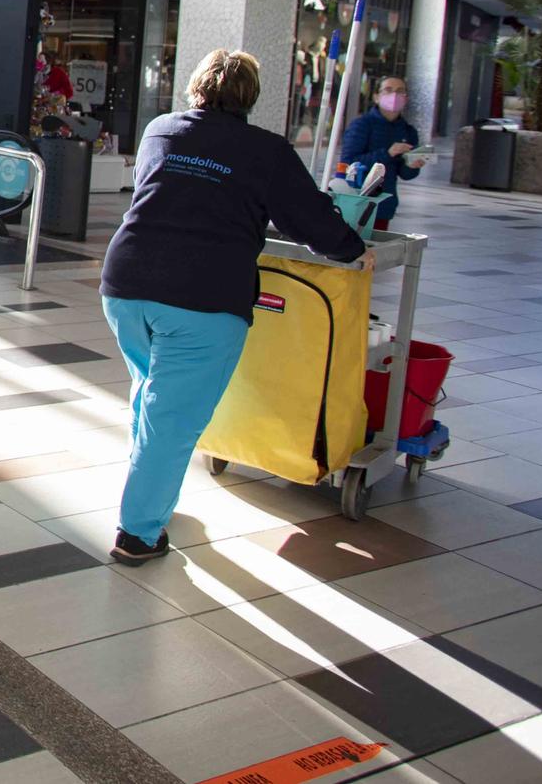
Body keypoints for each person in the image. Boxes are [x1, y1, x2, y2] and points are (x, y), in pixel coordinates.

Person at [99, 48, 369, 566]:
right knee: (172, 416)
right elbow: (310, 221)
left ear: (197, 86)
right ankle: (137, 533)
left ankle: (150, 498)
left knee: (152, 392)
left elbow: (162, 194)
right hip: (200, 297)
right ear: (250, 97)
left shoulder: (162, 129)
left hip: (127, 285)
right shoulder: (264, 151)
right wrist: (354, 250)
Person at [339, 76, 425, 231]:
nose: (394, 95)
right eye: (388, 90)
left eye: (400, 91)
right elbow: (349, 162)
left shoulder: (408, 131)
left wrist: (412, 165)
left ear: (406, 98)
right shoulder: (362, 125)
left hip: (384, 204)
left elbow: (405, 174)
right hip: (356, 200)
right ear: (376, 97)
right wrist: (387, 153)